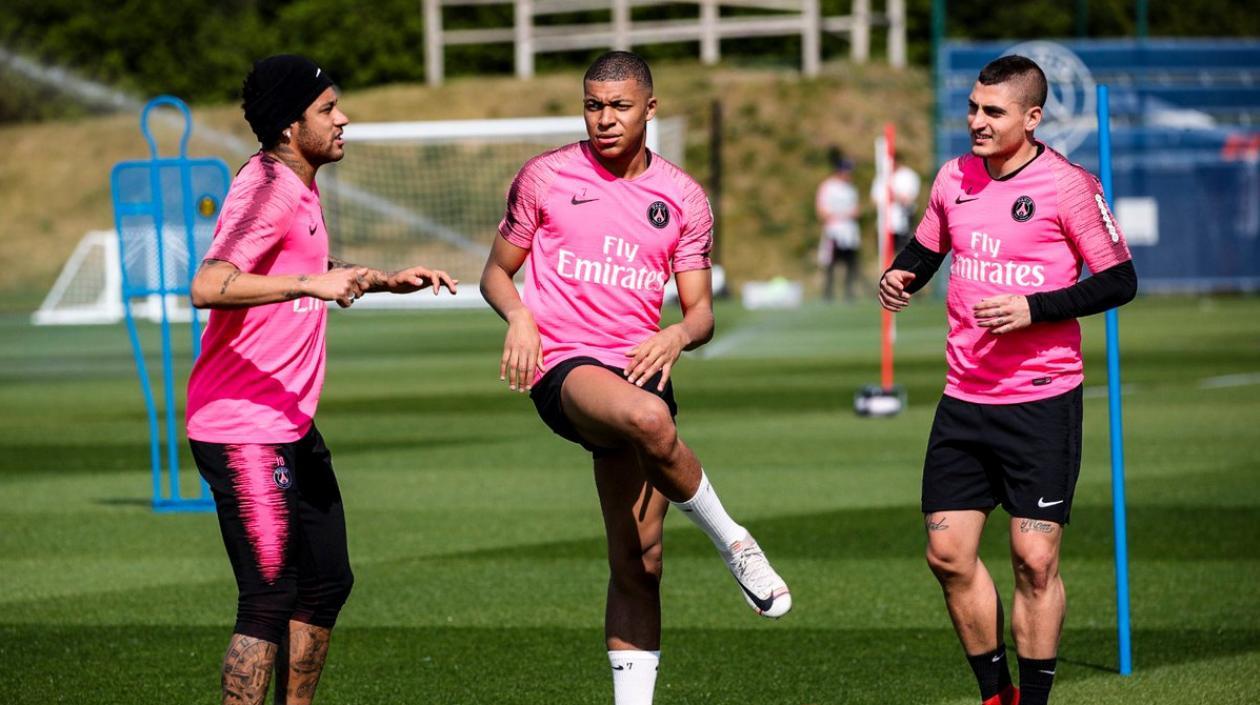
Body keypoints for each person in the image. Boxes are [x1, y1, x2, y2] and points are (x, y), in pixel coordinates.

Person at [480, 50, 790, 705]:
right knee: (650, 420)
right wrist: (519, 319)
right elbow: (495, 272)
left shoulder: (681, 197)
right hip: (564, 367)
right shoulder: (545, 177)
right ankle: (736, 541)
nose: (604, 119)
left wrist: (676, 334)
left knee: (640, 562)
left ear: (650, 108)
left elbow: (701, 312)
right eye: (594, 104)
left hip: (642, 368)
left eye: (620, 106)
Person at [186, 54, 456, 705]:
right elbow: (209, 283)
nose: (344, 119)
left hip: (287, 422)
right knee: (269, 596)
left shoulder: (300, 185)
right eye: (328, 109)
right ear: (288, 125)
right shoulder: (268, 188)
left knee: (326, 581)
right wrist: (310, 282)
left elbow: (302, 258)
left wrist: (378, 278)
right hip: (241, 425)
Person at [878, 55, 1137, 705]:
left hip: (1041, 401)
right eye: (972, 107)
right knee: (948, 554)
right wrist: (904, 272)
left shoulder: (1067, 185)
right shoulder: (954, 176)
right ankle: (997, 694)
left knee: (1034, 559)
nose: (976, 121)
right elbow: (931, 243)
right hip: (964, 400)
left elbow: (1119, 279)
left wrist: (1034, 308)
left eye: (993, 111)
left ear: (1032, 116)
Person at [816, 148, 861, 302]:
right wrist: (840, 216)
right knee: (830, 263)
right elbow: (822, 210)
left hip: (849, 232)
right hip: (834, 231)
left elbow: (856, 210)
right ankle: (828, 294)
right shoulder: (828, 186)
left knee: (850, 263)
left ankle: (849, 293)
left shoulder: (851, 189)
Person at [870, 151, 922, 256]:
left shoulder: (909, 176)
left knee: (904, 255)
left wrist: (894, 196)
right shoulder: (881, 177)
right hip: (884, 224)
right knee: (885, 255)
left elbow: (910, 199)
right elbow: (874, 200)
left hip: (903, 222)